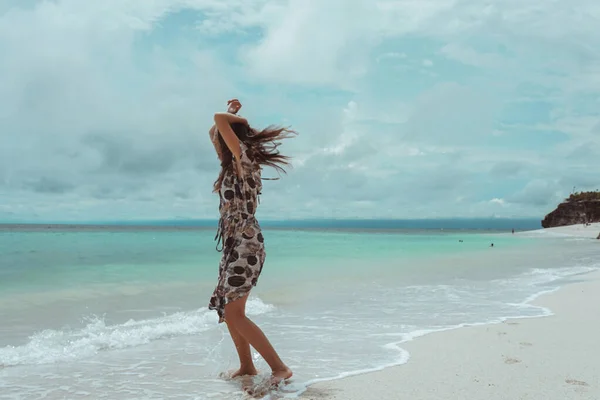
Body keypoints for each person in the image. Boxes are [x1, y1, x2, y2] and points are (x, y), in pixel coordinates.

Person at [207, 98, 296, 386]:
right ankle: (246, 366)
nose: (219, 143)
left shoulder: (244, 160)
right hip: (235, 244)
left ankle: (280, 367)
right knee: (229, 312)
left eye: (226, 140)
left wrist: (236, 118)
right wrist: (230, 117)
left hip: (246, 244)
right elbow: (214, 130)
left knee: (234, 312)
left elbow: (218, 120)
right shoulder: (231, 165)